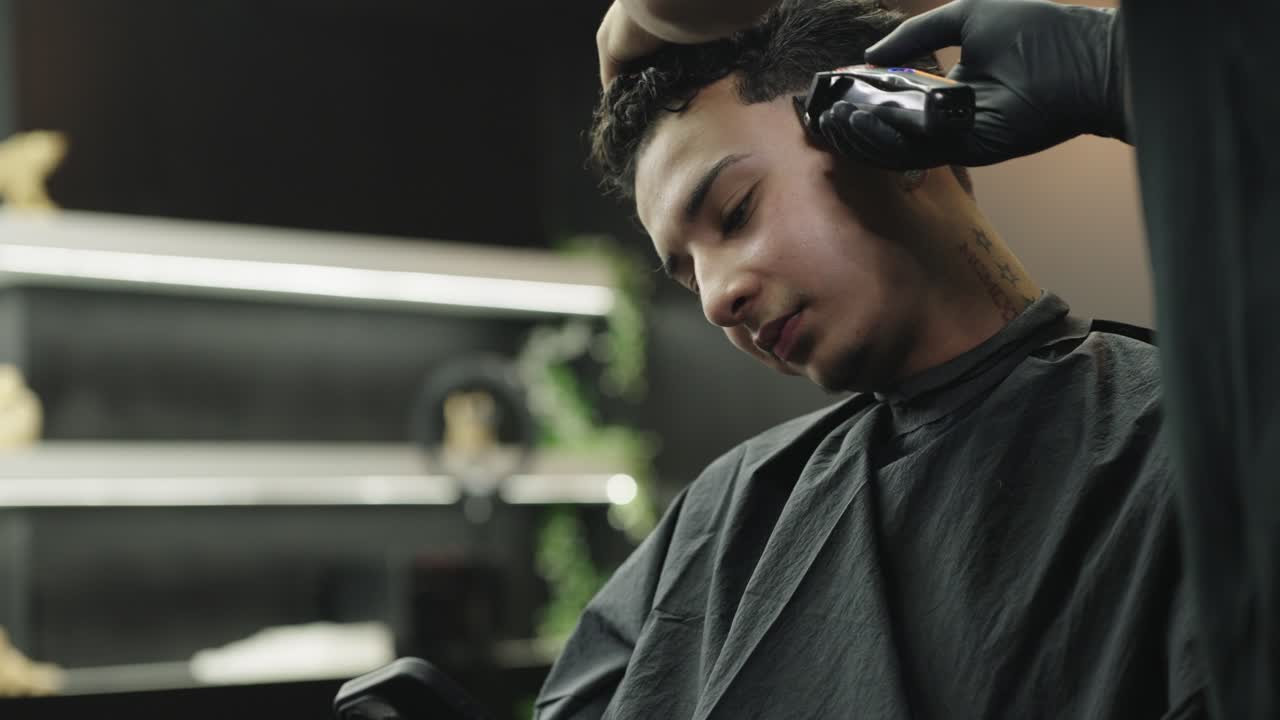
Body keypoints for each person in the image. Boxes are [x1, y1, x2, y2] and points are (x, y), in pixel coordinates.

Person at [598, 1, 1280, 718]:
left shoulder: (1198, 446)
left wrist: (1126, 72)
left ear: (894, 126)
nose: (715, 300)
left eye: (736, 212)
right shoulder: (729, 507)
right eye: (686, 273)